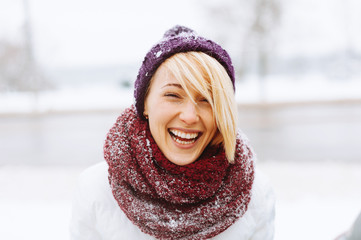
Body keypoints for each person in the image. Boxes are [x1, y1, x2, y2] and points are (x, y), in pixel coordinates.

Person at [70, 25, 275, 240]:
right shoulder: (96, 190)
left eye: (207, 99)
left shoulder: (255, 193)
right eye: (173, 95)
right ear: (145, 104)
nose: (189, 116)